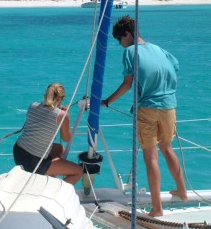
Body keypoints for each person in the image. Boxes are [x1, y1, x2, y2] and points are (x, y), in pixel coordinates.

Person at [101, 16, 187, 217]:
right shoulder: (159, 49)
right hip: (169, 106)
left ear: (127, 34)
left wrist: (107, 102)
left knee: (151, 156)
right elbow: (175, 70)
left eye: (119, 40)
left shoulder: (130, 52)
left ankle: (157, 208)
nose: (120, 44)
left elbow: (127, 84)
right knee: (167, 148)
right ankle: (181, 190)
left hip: (148, 107)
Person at [13, 83, 83, 185]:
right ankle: (53, 193)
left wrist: (60, 112)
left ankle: (48, 177)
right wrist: (66, 116)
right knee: (78, 171)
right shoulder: (62, 115)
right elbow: (67, 138)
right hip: (33, 162)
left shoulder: (33, 105)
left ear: (46, 94)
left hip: (18, 152)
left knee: (59, 149)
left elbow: (45, 117)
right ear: (62, 98)